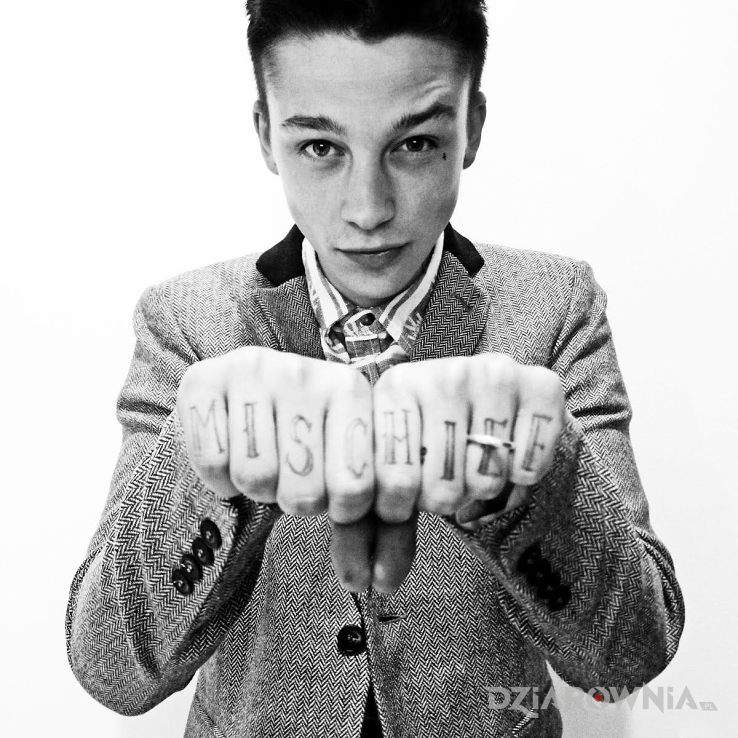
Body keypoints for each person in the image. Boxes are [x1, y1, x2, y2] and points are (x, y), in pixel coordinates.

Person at [65, 1, 685, 735]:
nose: (368, 209)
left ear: (471, 128)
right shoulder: (187, 323)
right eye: (320, 147)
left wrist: (537, 479)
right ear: (266, 134)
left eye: (415, 143)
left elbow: (631, 655)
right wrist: (203, 467)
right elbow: (113, 672)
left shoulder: (557, 306)